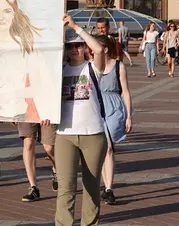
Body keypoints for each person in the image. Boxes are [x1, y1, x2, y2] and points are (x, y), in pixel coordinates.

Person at [53, 14, 107, 225]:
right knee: (65, 188)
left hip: (93, 134)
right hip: (65, 135)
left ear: (84, 47)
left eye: (78, 46)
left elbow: (100, 49)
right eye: (70, 46)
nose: (74, 49)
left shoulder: (93, 68)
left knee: (91, 187)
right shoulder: (59, 71)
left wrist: (76, 28)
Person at [99, 36, 133, 205]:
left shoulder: (119, 65)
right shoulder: (90, 65)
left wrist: (129, 115)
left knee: (109, 147)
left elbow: (125, 91)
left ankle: (109, 189)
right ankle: (105, 186)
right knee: (102, 149)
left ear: (105, 49)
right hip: (95, 108)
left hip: (113, 106)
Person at [17, 121, 58, 201]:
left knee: (49, 147)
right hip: (27, 110)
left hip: (47, 110)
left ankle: (57, 169)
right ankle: (33, 187)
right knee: (28, 142)